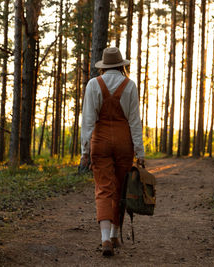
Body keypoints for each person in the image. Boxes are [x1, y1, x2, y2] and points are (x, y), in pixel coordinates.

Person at [80, 47, 145, 257]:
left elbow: (88, 120)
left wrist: (84, 151)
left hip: (100, 141)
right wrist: (140, 151)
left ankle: (105, 239)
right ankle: (116, 234)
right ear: (121, 66)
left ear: (104, 67)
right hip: (124, 141)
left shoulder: (93, 84)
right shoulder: (130, 85)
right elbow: (135, 121)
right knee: (121, 188)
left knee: (103, 188)